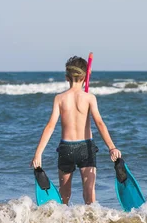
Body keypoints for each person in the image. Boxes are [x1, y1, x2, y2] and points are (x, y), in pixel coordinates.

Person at [30, 56, 121, 205]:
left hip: (66, 149)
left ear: (67, 77)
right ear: (85, 77)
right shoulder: (90, 98)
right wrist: (112, 147)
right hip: (86, 148)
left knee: (64, 195)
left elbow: (50, 126)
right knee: (89, 194)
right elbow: (99, 122)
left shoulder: (59, 98)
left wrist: (38, 153)